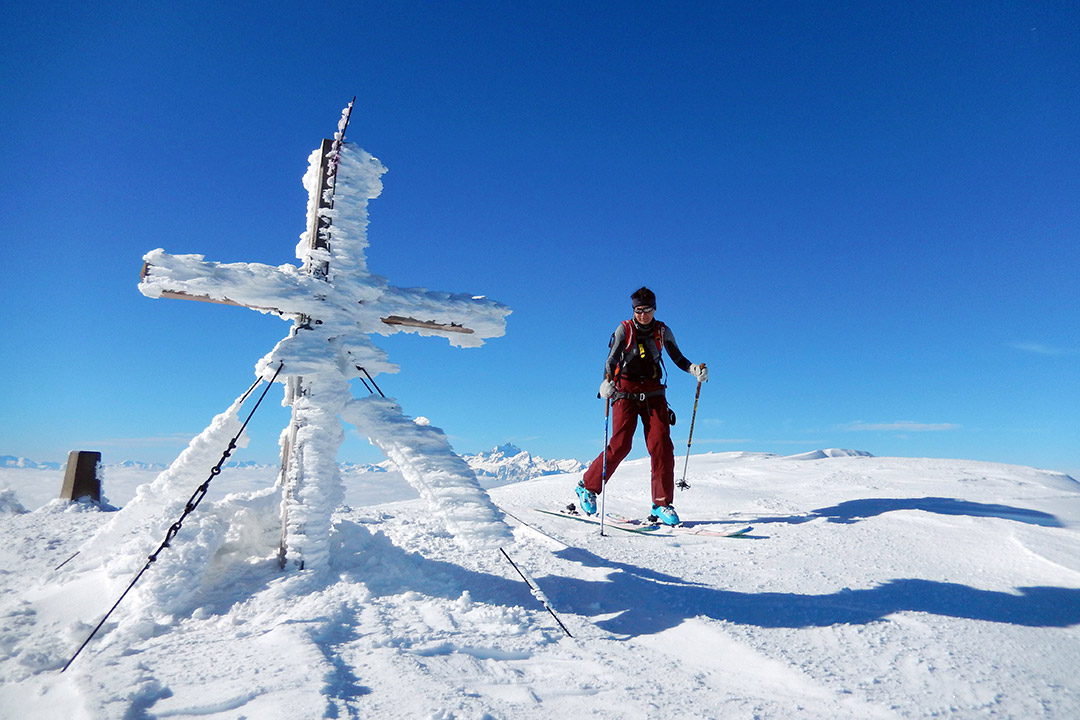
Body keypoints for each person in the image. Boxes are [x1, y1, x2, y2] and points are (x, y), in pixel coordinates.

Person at [576, 287, 708, 525]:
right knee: (620, 444)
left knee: (662, 446)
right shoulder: (624, 329)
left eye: (647, 310)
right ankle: (587, 487)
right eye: (638, 310)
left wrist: (693, 370)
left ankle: (662, 504)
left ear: (654, 309)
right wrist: (606, 382)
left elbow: (678, 357)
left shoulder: (662, 331)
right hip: (624, 392)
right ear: (633, 310)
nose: (643, 315)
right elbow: (611, 360)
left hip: (654, 393)